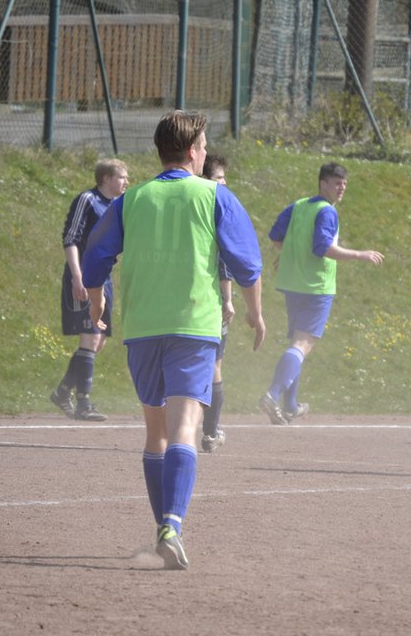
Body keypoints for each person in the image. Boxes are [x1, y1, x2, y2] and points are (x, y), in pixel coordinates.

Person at [81, 110, 265, 570]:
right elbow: (247, 264)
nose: (205, 152)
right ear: (193, 152)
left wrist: (97, 304)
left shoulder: (132, 198)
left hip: (143, 328)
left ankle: (164, 528)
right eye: (203, 145)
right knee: (186, 428)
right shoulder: (213, 195)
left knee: (155, 434)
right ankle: (171, 528)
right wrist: (256, 313)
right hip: (193, 327)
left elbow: (95, 258)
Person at [259, 162, 384, 425]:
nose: (342, 188)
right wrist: (360, 254)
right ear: (323, 183)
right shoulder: (327, 212)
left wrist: (289, 255)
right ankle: (273, 394)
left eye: (344, 184)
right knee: (303, 344)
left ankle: (290, 405)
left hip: (293, 284)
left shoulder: (299, 205)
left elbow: (275, 235)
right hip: (316, 287)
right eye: (337, 183)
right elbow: (323, 248)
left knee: (297, 342)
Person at [50, 158, 129, 421]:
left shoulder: (119, 205)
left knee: (100, 340)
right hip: (83, 276)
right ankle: (83, 402)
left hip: (104, 279)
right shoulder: (87, 199)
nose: (126, 182)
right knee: (91, 337)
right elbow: (71, 238)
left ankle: (62, 392)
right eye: (121, 177)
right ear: (105, 178)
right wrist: (76, 276)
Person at [200, 153, 232, 453]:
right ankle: (210, 432)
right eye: (218, 177)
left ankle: (197, 429)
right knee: (213, 365)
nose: (224, 183)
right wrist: (229, 300)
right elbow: (225, 260)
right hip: (208, 300)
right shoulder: (215, 210)